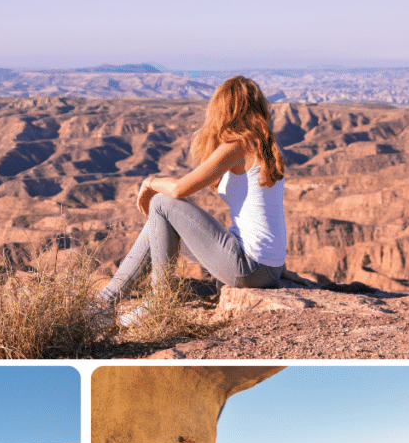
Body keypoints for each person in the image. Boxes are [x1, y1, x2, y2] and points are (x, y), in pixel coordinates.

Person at [95, 75, 289, 326]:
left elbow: (178, 190)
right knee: (159, 224)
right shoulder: (266, 147)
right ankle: (103, 304)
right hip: (265, 268)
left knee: (161, 203)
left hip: (247, 267)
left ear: (223, 110)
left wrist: (149, 183)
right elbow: (270, 216)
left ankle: (157, 303)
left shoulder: (237, 147)